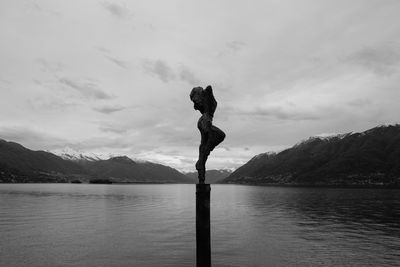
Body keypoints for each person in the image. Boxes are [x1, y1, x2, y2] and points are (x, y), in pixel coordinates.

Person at [190, 85, 226, 183]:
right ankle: (202, 160)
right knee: (220, 135)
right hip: (205, 120)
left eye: (195, 101)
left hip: (205, 119)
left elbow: (209, 89)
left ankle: (201, 166)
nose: (195, 107)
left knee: (204, 144)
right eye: (194, 101)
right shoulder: (207, 105)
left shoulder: (208, 100)